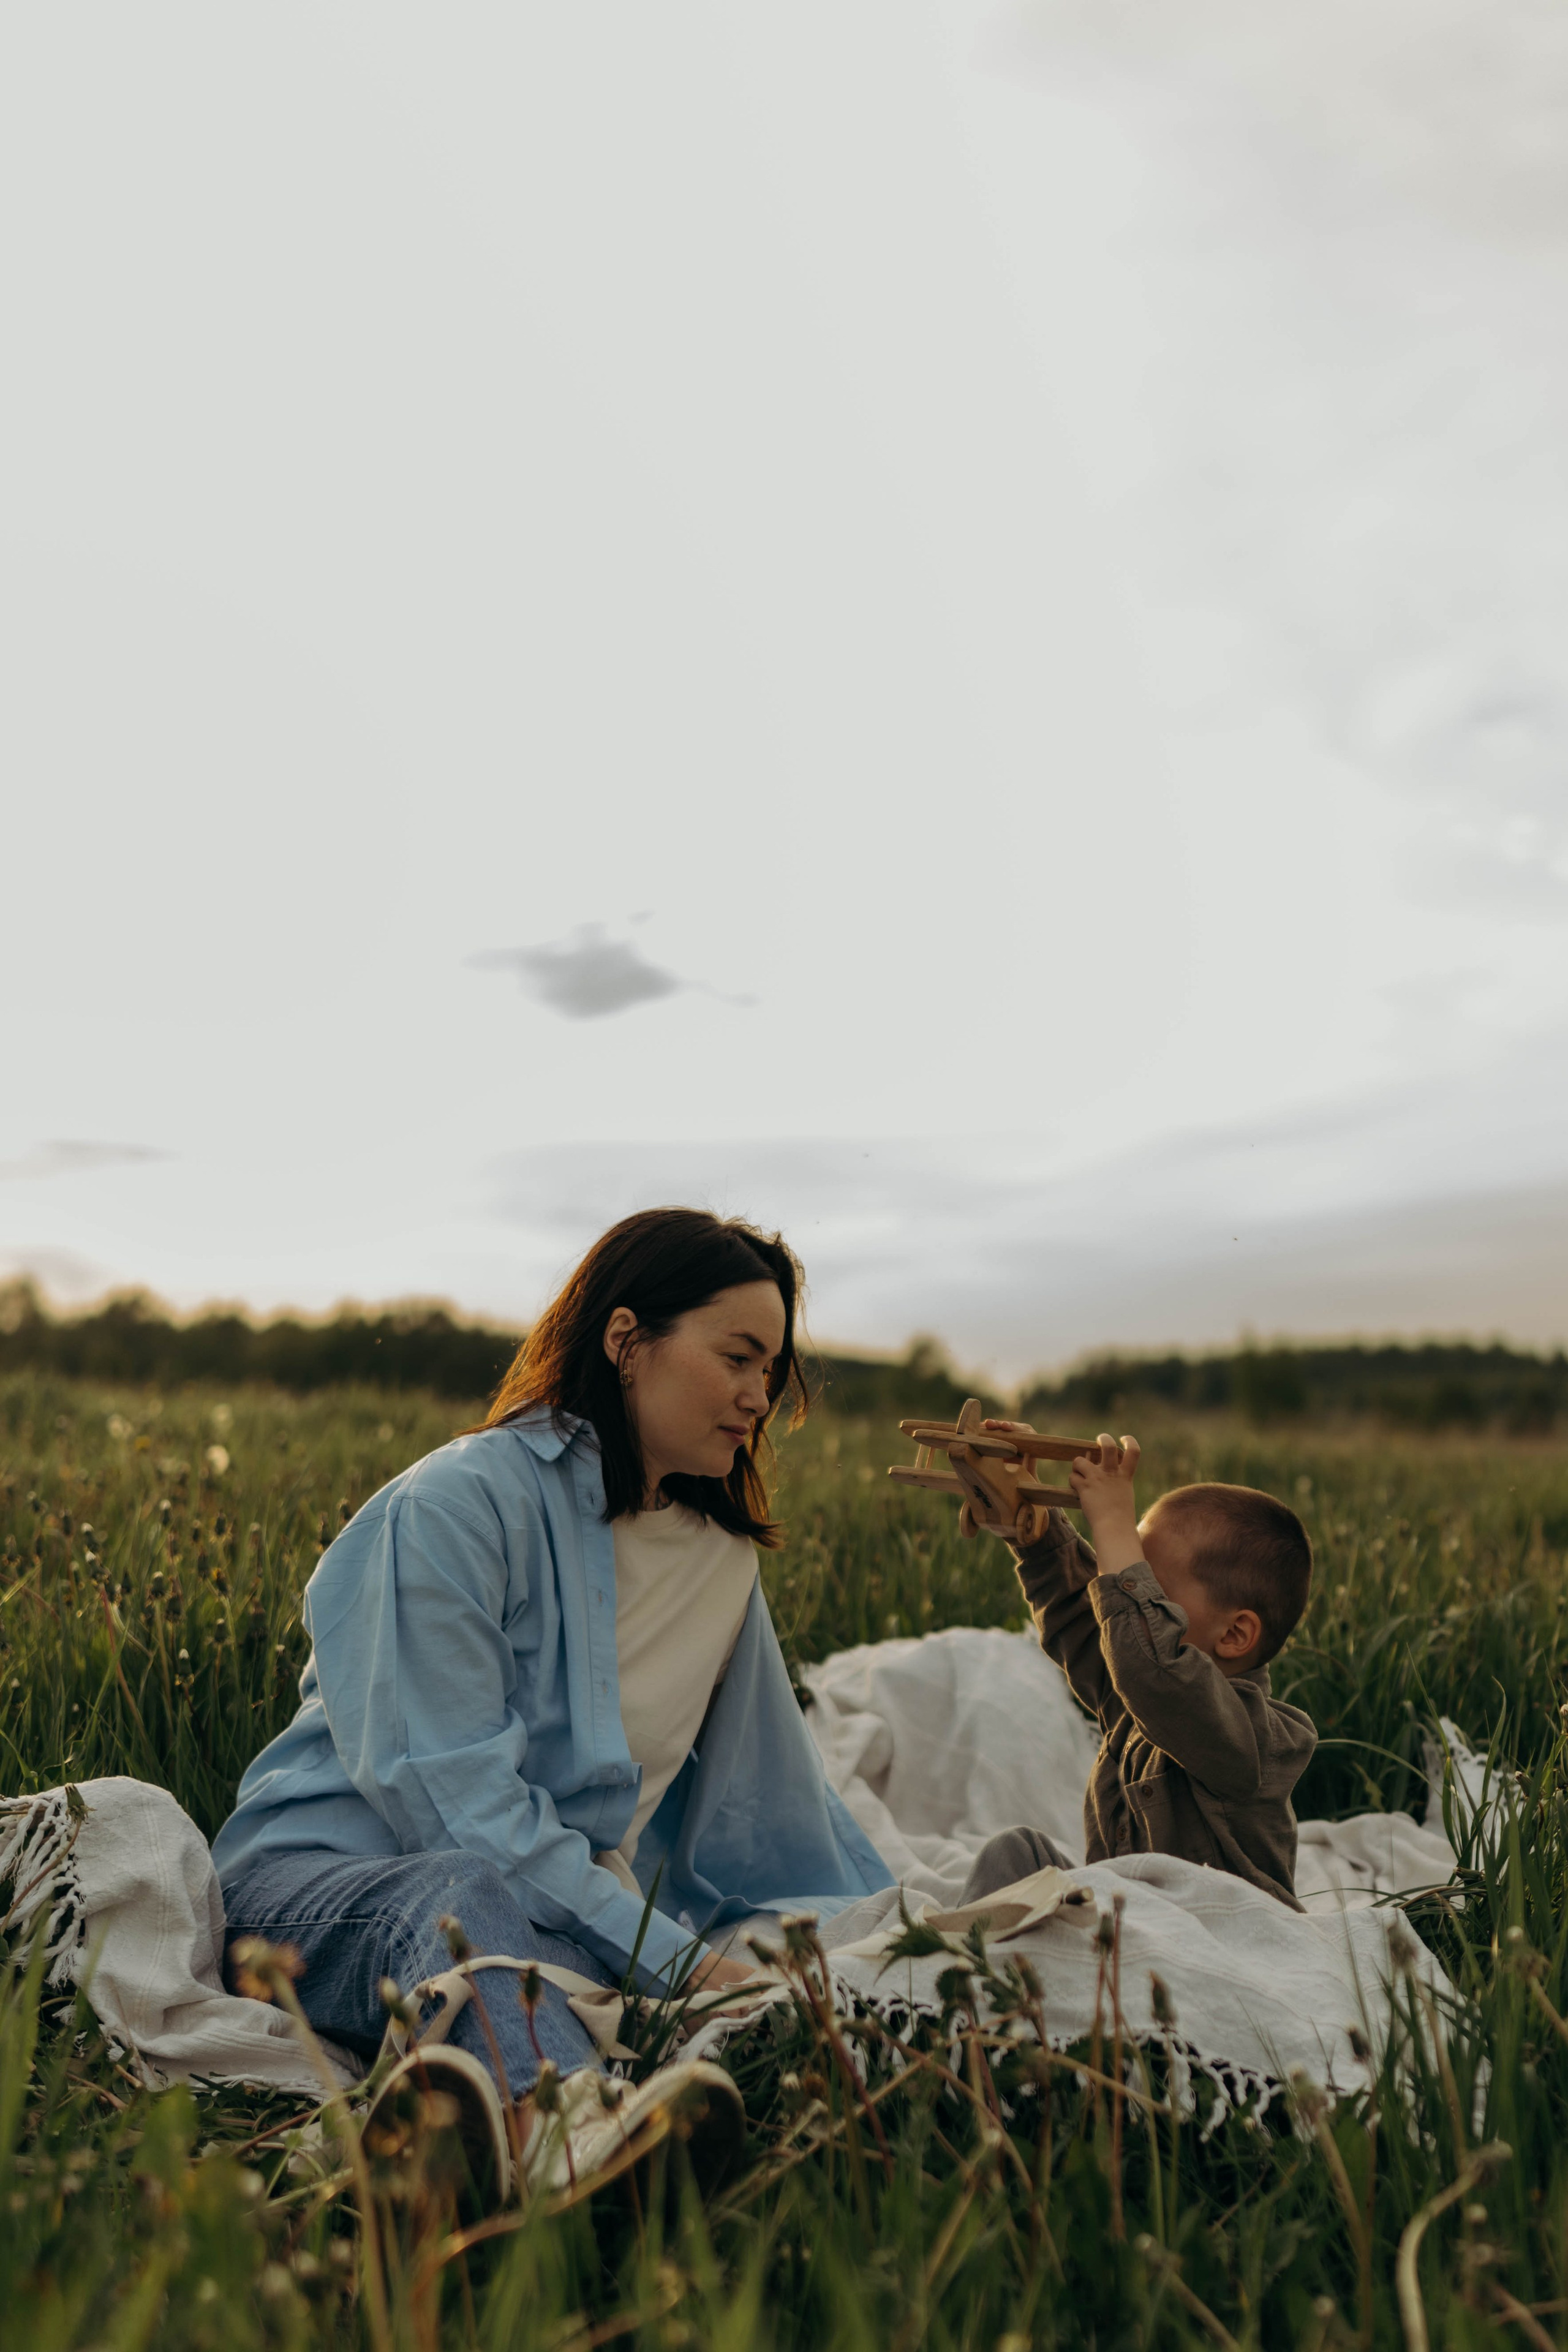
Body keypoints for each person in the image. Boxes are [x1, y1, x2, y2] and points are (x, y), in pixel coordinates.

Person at [214, 1208, 892, 2197]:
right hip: (320, 1893)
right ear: (626, 1341)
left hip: (545, 1910)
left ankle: (473, 2147)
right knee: (461, 1891)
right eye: (738, 1358)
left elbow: (764, 1800)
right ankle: (565, 2137)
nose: (760, 1396)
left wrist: (849, 1941)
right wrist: (679, 1964)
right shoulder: (454, 1506)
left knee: (552, 1932)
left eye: (772, 1370)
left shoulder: (720, 1562)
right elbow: (452, 1803)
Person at [961, 1428, 1317, 1912]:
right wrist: (1035, 1530)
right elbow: (1089, 1625)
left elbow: (1151, 1668)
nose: (1127, 1600)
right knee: (1015, 1852)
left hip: (1219, 1936)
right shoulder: (1138, 1695)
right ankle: (967, 1957)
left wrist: (1113, 1524)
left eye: (1149, 1588)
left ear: (1234, 1635)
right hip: (1124, 1924)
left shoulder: (1247, 1737)